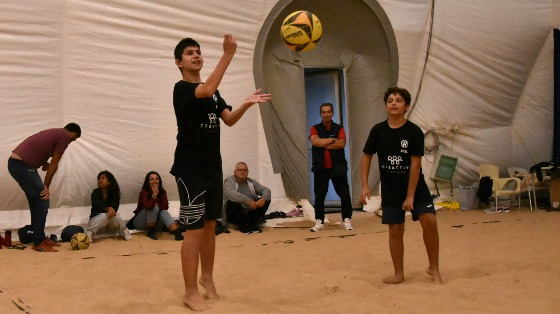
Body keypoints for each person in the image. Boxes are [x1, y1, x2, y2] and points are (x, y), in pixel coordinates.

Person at [171, 35, 271, 311]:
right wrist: (228, 55)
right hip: (190, 170)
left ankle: (206, 278)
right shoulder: (181, 89)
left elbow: (228, 119)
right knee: (193, 231)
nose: (196, 55)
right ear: (179, 62)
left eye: (199, 52)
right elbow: (206, 88)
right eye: (190, 53)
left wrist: (247, 104)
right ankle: (190, 292)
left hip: (212, 169)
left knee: (211, 226)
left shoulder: (213, 92)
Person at [360, 87, 443, 284]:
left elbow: (415, 166)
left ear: (406, 106)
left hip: (415, 187)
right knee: (395, 229)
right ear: (386, 105)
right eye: (390, 100)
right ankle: (399, 273)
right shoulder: (378, 131)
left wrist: (410, 195)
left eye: (398, 100)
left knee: (430, 221)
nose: (394, 103)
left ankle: (434, 267)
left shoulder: (413, 131)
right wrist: (365, 185)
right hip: (390, 188)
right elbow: (366, 156)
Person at [8, 123, 81, 252]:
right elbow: (55, 162)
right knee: (43, 199)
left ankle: (40, 237)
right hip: (22, 166)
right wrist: (46, 186)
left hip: (17, 164)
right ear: (73, 134)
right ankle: (38, 243)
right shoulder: (65, 136)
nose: (70, 143)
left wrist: (44, 163)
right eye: (73, 140)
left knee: (36, 201)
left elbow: (38, 148)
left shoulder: (55, 132)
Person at [309, 103, 353, 232]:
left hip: (338, 166)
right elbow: (315, 142)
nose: (326, 114)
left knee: (344, 193)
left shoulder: (339, 128)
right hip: (320, 167)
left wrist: (324, 143)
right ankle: (319, 221)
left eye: (328, 112)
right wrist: (332, 140)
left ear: (332, 113)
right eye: (324, 112)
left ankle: (347, 219)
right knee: (320, 195)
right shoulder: (314, 128)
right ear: (320, 114)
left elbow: (341, 144)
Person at [128, 171, 184, 241]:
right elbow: (148, 206)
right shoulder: (144, 192)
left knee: (163, 212)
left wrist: (157, 203)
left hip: (155, 224)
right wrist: (154, 195)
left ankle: (177, 233)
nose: (155, 181)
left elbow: (165, 207)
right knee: (154, 207)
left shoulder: (162, 192)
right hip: (141, 222)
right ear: (148, 182)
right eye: (152, 179)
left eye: (157, 179)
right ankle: (151, 232)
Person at [222, 162, 271, 234]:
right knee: (233, 202)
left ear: (248, 172)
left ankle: (252, 224)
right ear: (235, 172)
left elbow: (266, 190)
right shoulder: (229, 181)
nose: (242, 172)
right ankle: (242, 225)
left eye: (245, 170)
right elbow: (230, 193)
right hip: (235, 214)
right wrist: (247, 200)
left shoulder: (251, 182)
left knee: (266, 199)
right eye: (240, 170)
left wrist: (263, 199)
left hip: (250, 211)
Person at [86, 170, 131, 242]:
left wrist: (111, 210)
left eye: (103, 178)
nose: (100, 180)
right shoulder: (95, 192)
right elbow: (97, 206)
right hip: (96, 224)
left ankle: (124, 231)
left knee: (116, 216)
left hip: (110, 227)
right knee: (104, 216)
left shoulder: (115, 193)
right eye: (99, 179)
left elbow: (114, 210)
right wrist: (108, 209)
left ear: (109, 182)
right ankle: (89, 234)